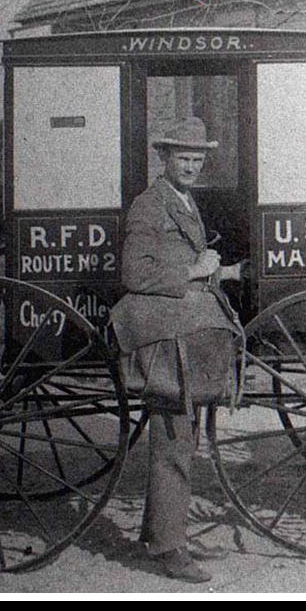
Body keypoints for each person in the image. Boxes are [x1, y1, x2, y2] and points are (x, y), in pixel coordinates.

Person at [112, 116, 244, 584]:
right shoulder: (150, 205)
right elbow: (136, 274)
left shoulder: (184, 201)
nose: (190, 165)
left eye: (197, 158)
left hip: (180, 332)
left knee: (178, 436)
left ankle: (159, 535)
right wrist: (195, 270)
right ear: (164, 159)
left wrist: (218, 272)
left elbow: (185, 263)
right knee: (175, 439)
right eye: (182, 158)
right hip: (160, 338)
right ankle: (170, 549)